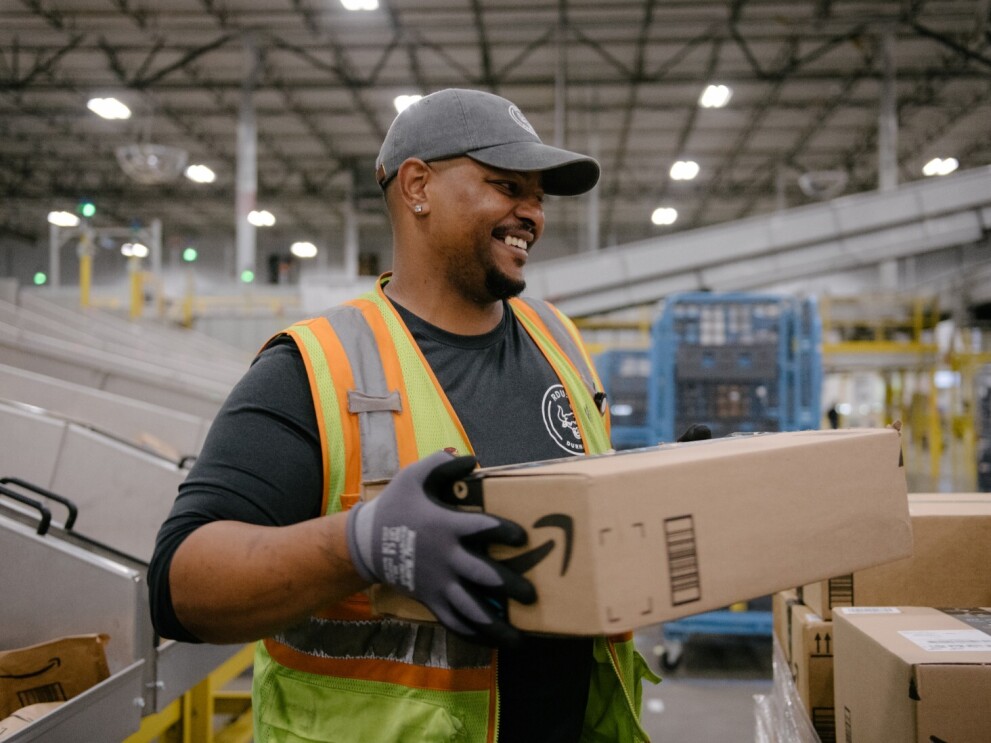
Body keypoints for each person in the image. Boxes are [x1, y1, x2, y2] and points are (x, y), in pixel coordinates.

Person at [149, 88, 658, 742]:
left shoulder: (557, 339)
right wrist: (363, 543)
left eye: (538, 196)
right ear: (417, 185)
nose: (530, 213)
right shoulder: (315, 366)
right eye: (506, 186)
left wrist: (657, 486)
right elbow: (179, 584)